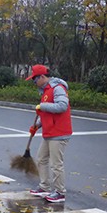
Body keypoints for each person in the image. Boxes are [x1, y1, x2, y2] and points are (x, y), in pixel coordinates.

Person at [26, 64, 72, 203]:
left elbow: (62, 106)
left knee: (56, 164)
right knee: (41, 159)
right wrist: (37, 125)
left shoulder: (58, 88)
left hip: (59, 132)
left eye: (35, 79)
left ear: (42, 77)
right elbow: (45, 113)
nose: (34, 83)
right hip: (49, 131)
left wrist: (42, 106)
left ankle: (60, 192)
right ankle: (44, 186)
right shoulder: (45, 91)